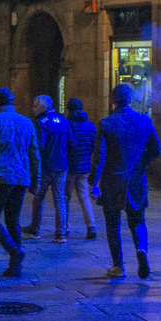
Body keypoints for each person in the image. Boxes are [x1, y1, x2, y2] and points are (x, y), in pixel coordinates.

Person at [89, 83, 161, 280]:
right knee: (138, 221)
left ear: (113, 100)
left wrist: (94, 183)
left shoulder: (106, 123)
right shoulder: (145, 121)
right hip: (136, 180)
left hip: (112, 180)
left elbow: (100, 156)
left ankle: (118, 266)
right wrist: (140, 164)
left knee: (113, 224)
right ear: (131, 100)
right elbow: (157, 150)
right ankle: (141, 250)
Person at [0, 87, 39, 278]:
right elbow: (34, 153)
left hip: (1, 176)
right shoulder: (27, 122)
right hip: (21, 177)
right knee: (13, 220)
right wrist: (35, 179)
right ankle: (16, 264)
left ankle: (15, 252)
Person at [24, 95, 73, 241]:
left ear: (43, 107)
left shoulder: (41, 122)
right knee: (59, 198)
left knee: (38, 197)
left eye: (35, 106)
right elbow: (72, 141)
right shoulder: (64, 121)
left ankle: (35, 230)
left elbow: (39, 145)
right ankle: (61, 233)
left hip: (46, 166)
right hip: (62, 165)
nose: (33, 109)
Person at [64, 99, 98, 240]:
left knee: (64, 197)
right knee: (84, 197)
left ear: (68, 110)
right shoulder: (90, 126)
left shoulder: (67, 125)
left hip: (69, 166)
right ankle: (91, 226)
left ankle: (64, 227)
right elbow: (94, 146)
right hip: (84, 166)